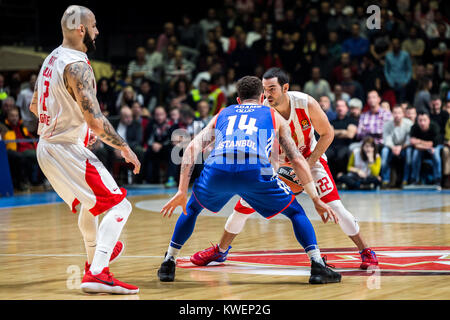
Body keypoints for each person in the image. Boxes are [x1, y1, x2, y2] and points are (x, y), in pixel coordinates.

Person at [157, 75, 341, 284]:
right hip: (255, 171)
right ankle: (317, 265)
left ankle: (169, 262)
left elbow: (191, 148)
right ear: (262, 97)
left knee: (191, 208)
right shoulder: (273, 115)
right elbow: (297, 159)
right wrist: (316, 199)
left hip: (219, 169)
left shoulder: (223, 114)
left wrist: (181, 190)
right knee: (296, 211)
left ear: (238, 100)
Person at [191, 68, 378, 270]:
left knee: (336, 208)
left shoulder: (306, 103)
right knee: (242, 208)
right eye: (264, 89)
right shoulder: (261, 109)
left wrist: (308, 163)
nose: (267, 94)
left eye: (272, 89)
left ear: (285, 87)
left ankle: (365, 250)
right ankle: (221, 250)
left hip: (310, 160)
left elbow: (328, 134)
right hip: (278, 163)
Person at [29, 6, 140, 294]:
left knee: (91, 207)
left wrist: (77, 126)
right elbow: (97, 121)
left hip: (47, 147)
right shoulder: (77, 65)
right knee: (120, 205)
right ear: (82, 30)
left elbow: (34, 107)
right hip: (66, 149)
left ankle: (95, 263)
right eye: (94, 25)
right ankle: (98, 272)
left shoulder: (50, 59)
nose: (97, 31)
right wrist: (125, 148)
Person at [380, 105, 414, 187]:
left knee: (409, 153)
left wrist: (401, 147)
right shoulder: (387, 124)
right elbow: (386, 139)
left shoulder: (409, 123)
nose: (397, 115)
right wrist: (393, 147)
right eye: (395, 113)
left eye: (399, 113)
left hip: (404, 147)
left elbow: (409, 139)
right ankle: (385, 180)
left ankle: (406, 180)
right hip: (392, 147)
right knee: (384, 152)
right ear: (392, 114)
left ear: (403, 114)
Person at [409, 111, 442, 186]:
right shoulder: (414, 128)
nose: (422, 123)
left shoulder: (434, 127)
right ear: (417, 121)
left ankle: (438, 179)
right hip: (421, 148)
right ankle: (414, 179)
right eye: (420, 120)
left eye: (424, 120)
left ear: (429, 120)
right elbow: (415, 145)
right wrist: (427, 146)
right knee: (415, 154)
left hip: (435, 147)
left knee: (436, 155)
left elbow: (433, 144)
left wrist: (419, 141)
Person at [327, 99, 358, 179]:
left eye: (342, 106)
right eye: (338, 106)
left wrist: (335, 132)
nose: (340, 108)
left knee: (341, 155)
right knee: (325, 155)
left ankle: (342, 178)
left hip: (345, 145)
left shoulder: (352, 121)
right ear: (335, 108)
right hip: (332, 146)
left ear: (347, 108)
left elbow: (350, 135)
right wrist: (343, 132)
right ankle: (329, 179)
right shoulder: (331, 122)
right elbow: (328, 134)